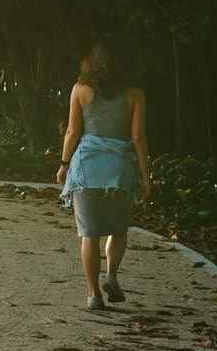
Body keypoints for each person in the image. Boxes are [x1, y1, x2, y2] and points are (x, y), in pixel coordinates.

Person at [57, 40, 151, 310]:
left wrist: (64, 164)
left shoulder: (80, 91)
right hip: (120, 171)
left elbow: (72, 132)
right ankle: (111, 275)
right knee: (118, 229)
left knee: (89, 235)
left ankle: (94, 295)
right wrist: (146, 176)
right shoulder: (135, 95)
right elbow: (137, 137)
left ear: (91, 63)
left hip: (86, 168)